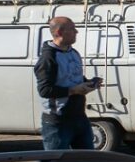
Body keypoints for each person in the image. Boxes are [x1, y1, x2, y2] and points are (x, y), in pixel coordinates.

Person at [34, 16, 98, 150]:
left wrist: (90, 83)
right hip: (58, 121)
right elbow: (45, 90)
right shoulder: (48, 58)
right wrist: (73, 90)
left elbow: (75, 78)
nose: (76, 32)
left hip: (80, 117)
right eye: (72, 29)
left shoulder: (73, 52)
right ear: (59, 33)